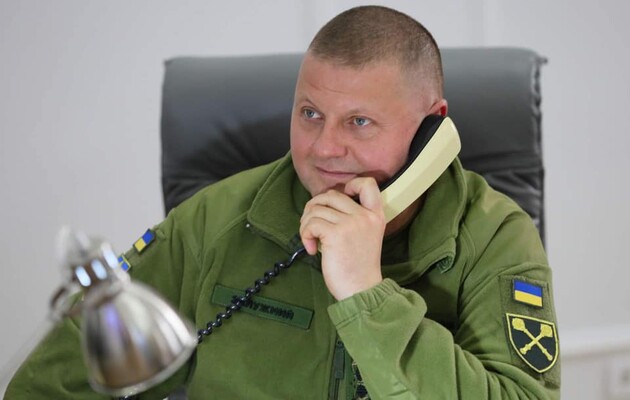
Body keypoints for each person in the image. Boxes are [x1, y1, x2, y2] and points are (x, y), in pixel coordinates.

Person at [5, 5, 560, 399]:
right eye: (310, 114)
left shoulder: (495, 237)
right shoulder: (216, 219)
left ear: (430, 129)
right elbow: (53, 385)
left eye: (359, 122)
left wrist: (368, 295)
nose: (323, 149)